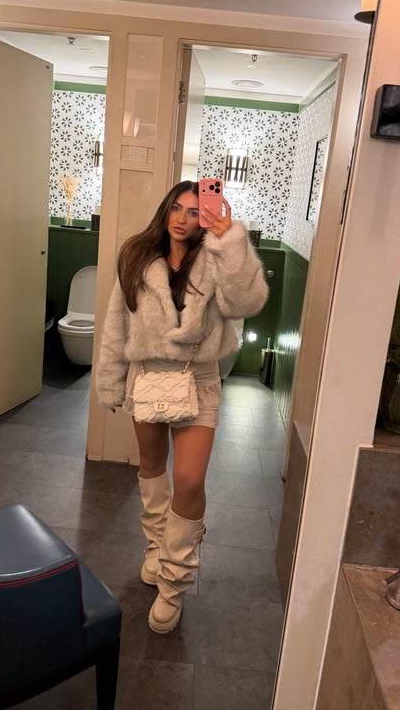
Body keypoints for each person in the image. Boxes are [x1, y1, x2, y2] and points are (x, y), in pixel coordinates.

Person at [95, 180, 268, 634]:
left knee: (189, 481)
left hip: (198, 379)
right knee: (152, 468)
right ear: (165, 210)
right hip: (147, 377)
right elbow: (116, 321)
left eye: (194, 211)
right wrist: (111, 381)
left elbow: (248, 301)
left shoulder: (215, 257)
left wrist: (230, 241)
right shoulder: (136, 255)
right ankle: (156, 547)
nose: (182, 218)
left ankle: (173, 583)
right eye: (176, 208)